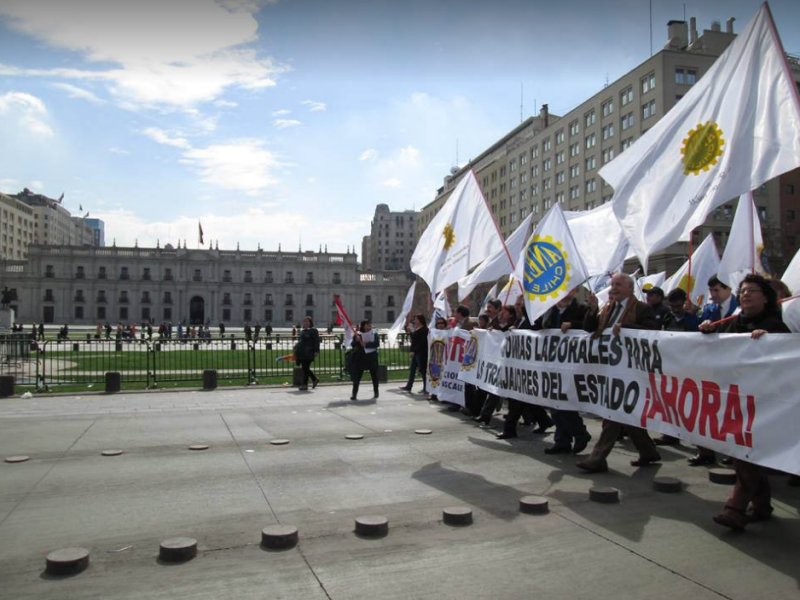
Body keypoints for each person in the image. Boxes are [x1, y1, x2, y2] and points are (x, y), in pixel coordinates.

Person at [702, 274, 789, 531]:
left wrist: (770, 343)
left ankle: (735, 509)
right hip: (737, 401)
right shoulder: (732, 323)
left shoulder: (776, 327)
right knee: (746, 454)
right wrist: (708, 329)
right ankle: (762, 506)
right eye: (742, 291)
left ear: (766, 297)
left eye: (752, 290)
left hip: (767, 403)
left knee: (746, 454)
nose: (746, 295)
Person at [576, 273, 661, 473]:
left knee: (613, 410)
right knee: (625, 412)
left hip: (631, 371)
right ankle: (648, 451)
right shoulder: (607, 308)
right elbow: (590, 329)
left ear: (630, 288)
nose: (613, 288)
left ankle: (597, 458)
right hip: (610, 370)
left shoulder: (642, 309)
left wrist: (627, 328)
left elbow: (653, 331)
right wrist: (593, 308)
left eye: (618, 285)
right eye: (612, 284)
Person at [688, 276, 740, 466]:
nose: (713, 294)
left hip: (733, 366)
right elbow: (696, 332)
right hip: (710, 366)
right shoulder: (709, 309)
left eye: (717, 290)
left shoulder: (739, 307)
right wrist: (699, 322)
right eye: (711, 290)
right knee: (705, 410)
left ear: (727, 289)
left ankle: (734, 453)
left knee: (732, 412)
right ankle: (705, 451)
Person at [533, 289, 591, 453]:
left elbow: (589, 326)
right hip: (551, 363)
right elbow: (535, 327)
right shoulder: (549, 310)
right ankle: (562, 441)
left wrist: (573, 325)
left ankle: (580, 433)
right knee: (554, 404)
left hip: (571, 364)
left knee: (565, 402)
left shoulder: (581, 309)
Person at [350, 319, 380, 400]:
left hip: (371, 357)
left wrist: (366, 344)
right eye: (367, 325)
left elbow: (376, 344)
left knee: (374, 376)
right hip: (360, 358)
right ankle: (354, 394)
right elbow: (352, 345)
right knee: (357, 377)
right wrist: (356, 341)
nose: (369, 327)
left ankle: (376, 392)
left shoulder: (374, 334)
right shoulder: (358, 334)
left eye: (370, 325)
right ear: (363, 326)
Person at [400, 314, 428, 394]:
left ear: (420, 320)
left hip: (421, 353)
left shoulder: (424, 330)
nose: (414, 321)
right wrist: (410, 333)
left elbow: (422, 342)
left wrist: (414, 350)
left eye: (416, 319)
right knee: (412, 370)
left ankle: (426, 387)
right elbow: (414, 340)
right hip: (416, 352)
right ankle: (409, 386)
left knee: (423, 370)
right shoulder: (417, 329)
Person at [294, 316, 320, 391]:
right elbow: (301, 341)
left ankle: (305, 385)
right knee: (305, 368)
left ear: (310, 323)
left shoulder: (313, 330)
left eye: (307, 321)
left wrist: (316, 351)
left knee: (305, 368)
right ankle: (314, 379)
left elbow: (316, 341)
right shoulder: (303, 331)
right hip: (302, 352)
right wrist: (296, 346)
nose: (305, 323)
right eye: (304, 321)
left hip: (309, 352)